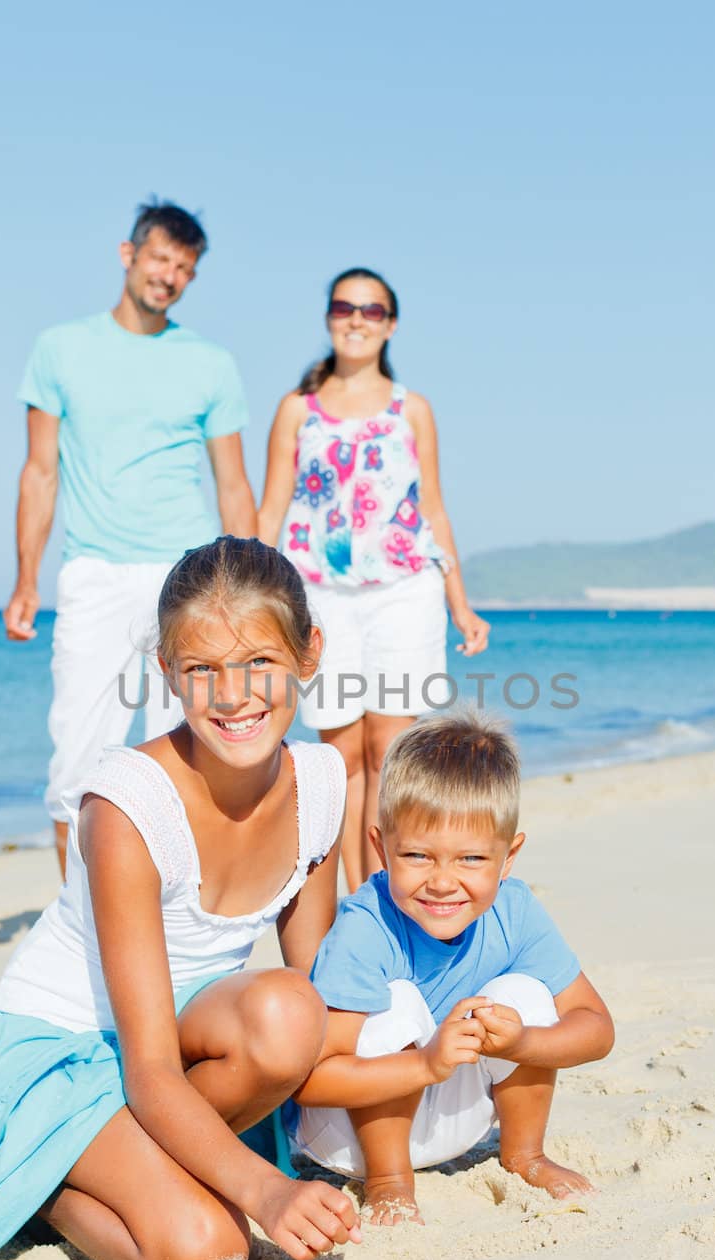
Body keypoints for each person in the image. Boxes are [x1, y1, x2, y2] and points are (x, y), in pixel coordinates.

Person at [0, 537, 360, 1260]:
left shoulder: (322, 784)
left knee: (293, 1011)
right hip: (68, 1050)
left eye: (260, 662)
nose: (235, 696)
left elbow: (328, 1000)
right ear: (166, 672)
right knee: (212, 1246)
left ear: (309, 652)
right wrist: (266, 1188)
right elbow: (148, 1068)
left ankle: (142, 1168)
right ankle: (42, 1183)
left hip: (179, 1045)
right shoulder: (127, 808)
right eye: (203, 670)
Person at [6, 200, 257, 877]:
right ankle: (81, 926)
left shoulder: (210, 363)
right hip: (94, 572)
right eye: (159, 260)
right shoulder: (60, 348)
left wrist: (253, 589)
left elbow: (233, 485)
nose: (169, 276)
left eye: (184, 268)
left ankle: (175, 930)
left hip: (189, 577)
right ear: (128, 255)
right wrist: (26, 579)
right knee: (76, 762)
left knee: (186, 757)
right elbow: (40, 471)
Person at [290, 710, 615, 1224]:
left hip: (455, 1121)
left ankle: (524, 1155)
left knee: (524, 995)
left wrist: (521, 1043)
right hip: (346, 1137)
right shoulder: (366, 926)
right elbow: (310, 1082)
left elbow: (596, 1029)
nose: (443, 882)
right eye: (418, 855)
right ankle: (390, 1181)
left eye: (471, 860)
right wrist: (426, 1064)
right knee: (396, 1003)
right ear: (381, 849)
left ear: (508, 858)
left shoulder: (516, 910)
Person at [258, 268, 489, 891]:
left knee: (388, 757)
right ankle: (360, 907)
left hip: (404, 592)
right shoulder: (295, 411)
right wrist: (251, 597)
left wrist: (460, 605)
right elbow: (271, 511)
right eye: (344, 307)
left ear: (390, 324)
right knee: (340, 761)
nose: (357, 318)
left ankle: (392, 902)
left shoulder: (411, 410)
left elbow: (433, 509)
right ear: (329, 317)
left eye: (372, 309)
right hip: (319, 599)